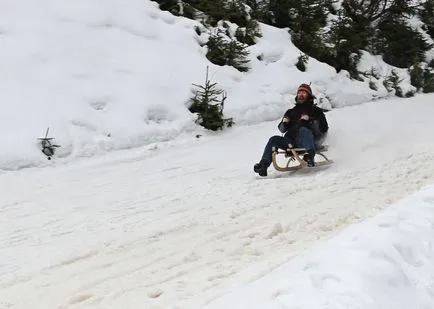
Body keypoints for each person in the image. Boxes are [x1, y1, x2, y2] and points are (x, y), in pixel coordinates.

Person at [254, 83, 329, 176]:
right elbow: (282, 130)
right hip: (292, 142)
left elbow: (324, 128)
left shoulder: (315, 110)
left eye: (304, 93)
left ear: (309, 95)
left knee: (303, 129)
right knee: (274, 139)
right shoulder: (291, 112)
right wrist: (284, 123)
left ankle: (310, 156)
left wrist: (310, 121)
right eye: (299, 93)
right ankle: (263, 165)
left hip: (311, 140)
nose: (301, 95)